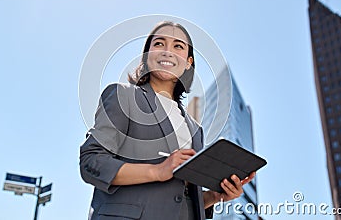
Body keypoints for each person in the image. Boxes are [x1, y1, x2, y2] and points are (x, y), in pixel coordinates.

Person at [79, 21, 255, 220]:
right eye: (159, 44)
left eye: (178, 46)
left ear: (188, 62)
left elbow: (179, 199)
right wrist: (157, 171)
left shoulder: (195, 130)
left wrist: (213, 196)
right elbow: (91, 162)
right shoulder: (123, 96)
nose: (167, 51)